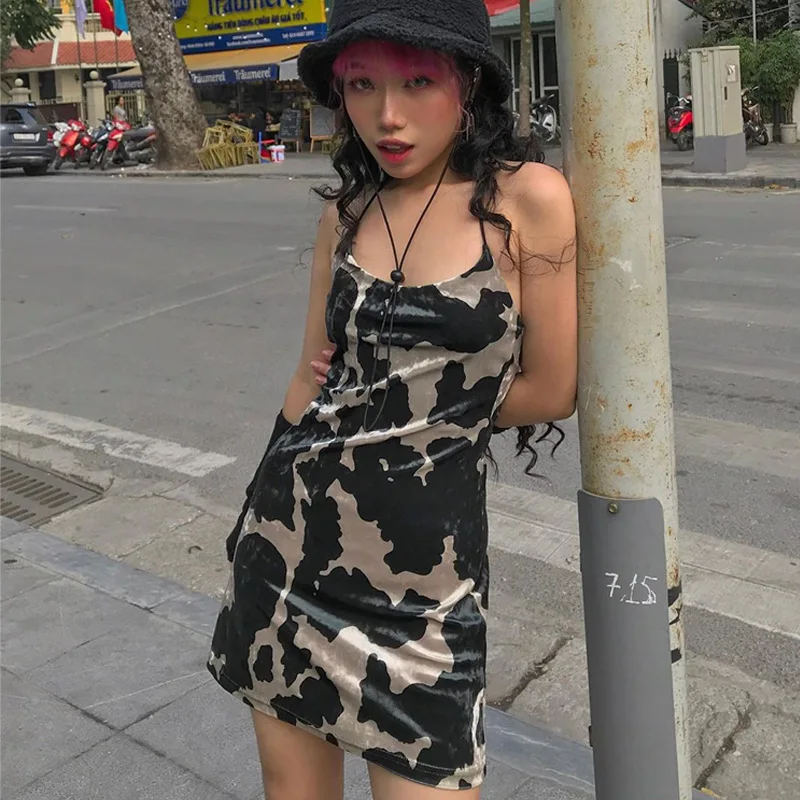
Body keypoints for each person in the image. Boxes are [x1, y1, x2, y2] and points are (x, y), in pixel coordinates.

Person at [207, 1, 577, 798]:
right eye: (362, 85)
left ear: (469, 82)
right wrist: (248, 528)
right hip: (286, 556)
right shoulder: (346, 213)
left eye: (417, 82)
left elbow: (553, 388)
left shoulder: (528, 199)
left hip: (425, 600)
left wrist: (420, 411)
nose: (387, 116)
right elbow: (308, 378)